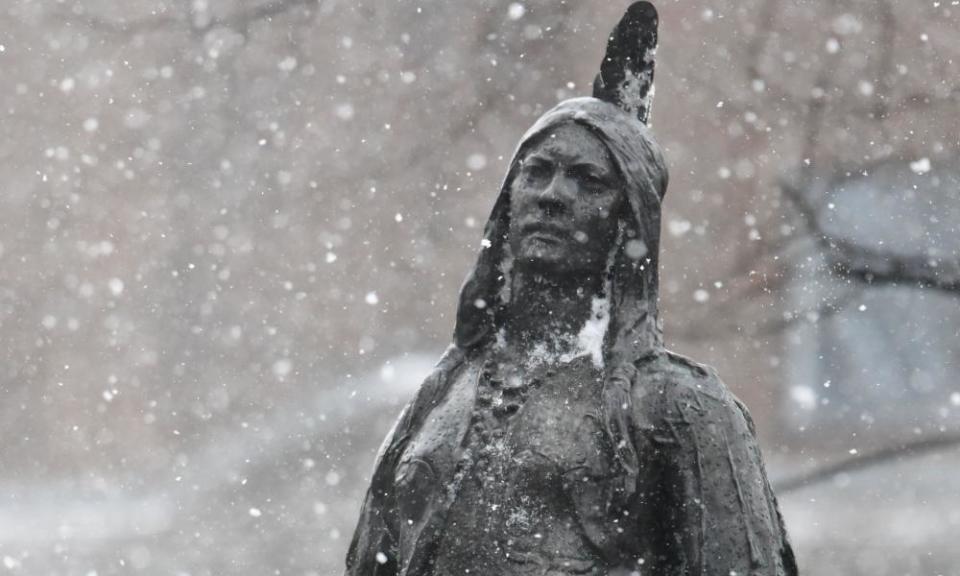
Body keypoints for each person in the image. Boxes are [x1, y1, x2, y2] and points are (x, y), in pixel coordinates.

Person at [345, 4, 796, 575]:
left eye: (588, 180)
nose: (553, 195)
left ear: (628, 221)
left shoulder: (682, 409)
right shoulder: (441, 392)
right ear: (507, 204)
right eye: (537, 172)